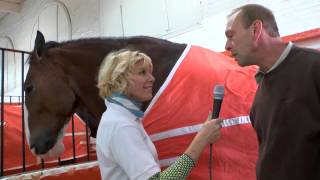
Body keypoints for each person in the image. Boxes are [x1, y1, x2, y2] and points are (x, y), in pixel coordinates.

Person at [224, 4, 320, 180]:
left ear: (256, 30)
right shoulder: (261, 92)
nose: (227, 45)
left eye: (231, 36)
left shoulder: (314, 67)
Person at [96, 49, 222, 180]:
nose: (152, 78)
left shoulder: (122, 118)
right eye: (142, 73)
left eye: (150, 73)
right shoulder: (121, 125)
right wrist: (202, 139)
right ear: (119, 80)